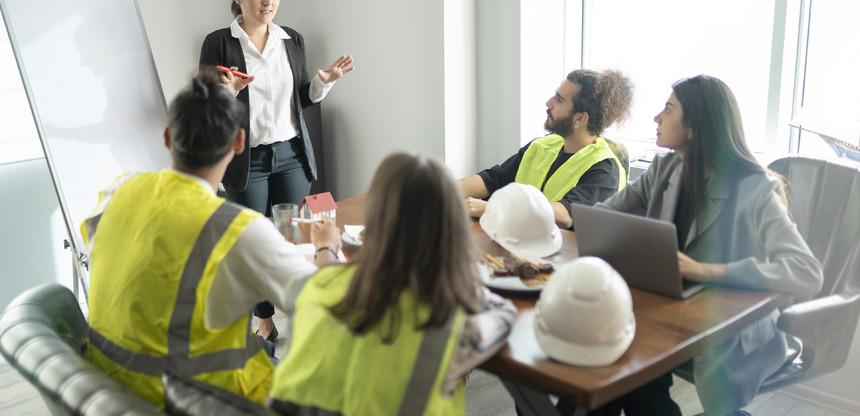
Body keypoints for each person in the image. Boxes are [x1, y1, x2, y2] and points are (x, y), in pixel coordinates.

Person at [81, 70, 343, 409]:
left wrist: (223, 97)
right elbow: (326, 302)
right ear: (239, 143)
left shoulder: (120, 190)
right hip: (194, 400)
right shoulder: (236, 228)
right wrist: (326, 245)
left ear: (167, 138)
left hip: (112, 390)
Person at [575, 75, 824, 416]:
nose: (656, 118)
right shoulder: (664, 168)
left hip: (730, 331)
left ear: (694, 126)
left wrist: (706, 270)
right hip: (668, 315)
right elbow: (601, 217)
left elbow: (807, 272)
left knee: (625, 369)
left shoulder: (755, 188)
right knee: (612, 369)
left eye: (668, 109)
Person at [267, 153, 517, 415]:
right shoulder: (453, 319)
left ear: (374, 220)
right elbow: (504, 316)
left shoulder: (317, 286)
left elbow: (326, 277)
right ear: (452, 230)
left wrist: (326, 247)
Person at [199, 0, 354, 341]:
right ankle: (264, 318)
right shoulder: (219, 43)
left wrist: (324, 82)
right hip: (247, 160)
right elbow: (206, 106)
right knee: (254, 245)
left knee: (294, 240)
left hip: (291, 156)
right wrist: (228, 93)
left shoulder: (291, 39)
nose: (267, 1)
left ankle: (304, 314)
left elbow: (302, 99)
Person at [458, 69, 634, 228]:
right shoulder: (542, 145)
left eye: (559, 100)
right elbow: (493, 179)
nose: (549, 103)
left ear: (580, 118)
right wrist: (449, 190)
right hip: (521, 240)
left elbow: (565, 214)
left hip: (563, 251)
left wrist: (494, 208)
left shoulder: (605, 170)